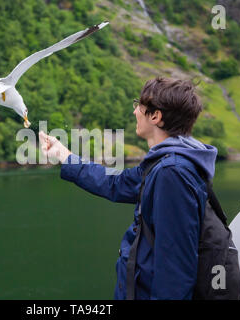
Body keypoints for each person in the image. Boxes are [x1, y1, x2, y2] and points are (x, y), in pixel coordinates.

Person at [38, 77, 218, 300]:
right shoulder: (166, 165)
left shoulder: (172, 173)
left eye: (138, 105)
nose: (135, 112)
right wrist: (65, 156)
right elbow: (116, 183)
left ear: (155, 116)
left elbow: (176, 271)